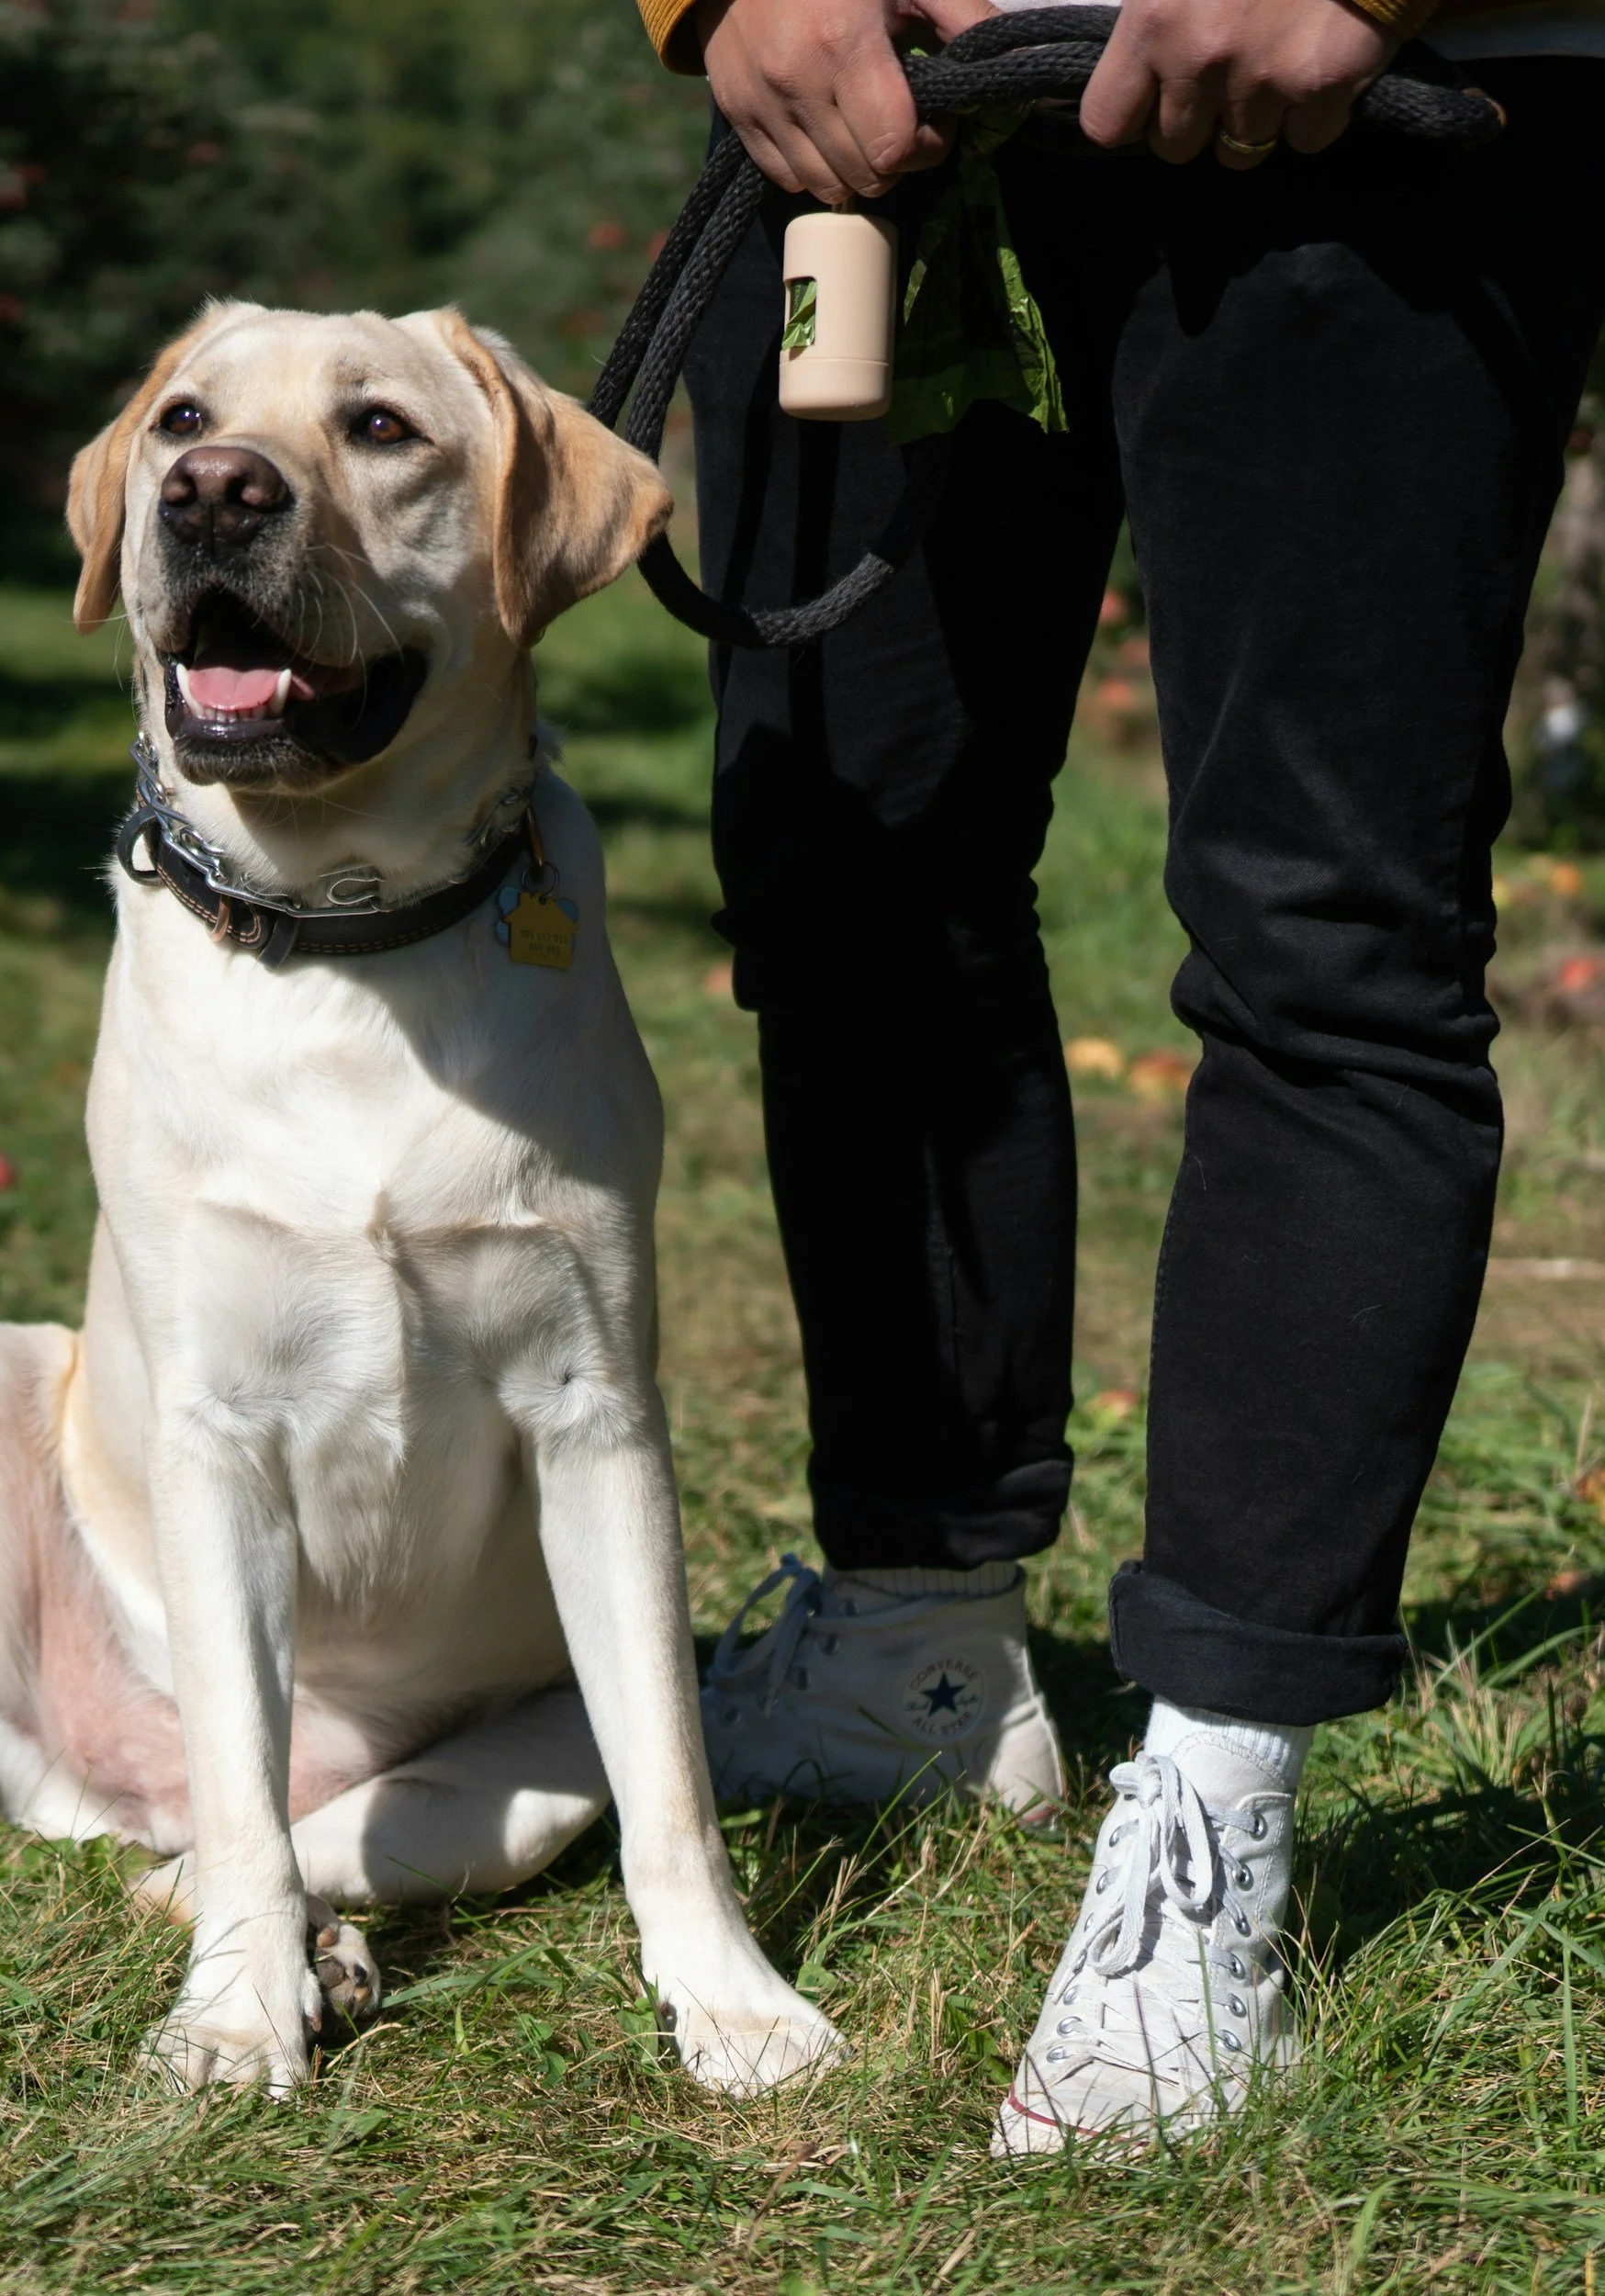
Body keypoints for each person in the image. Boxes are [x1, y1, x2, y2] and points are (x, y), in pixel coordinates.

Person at [632, 0, 1605, 2149]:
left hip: (1345, 107)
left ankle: (1215, 1801)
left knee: (1322, 938)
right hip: (873, 141)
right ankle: (914, 1635)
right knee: (848, 879)